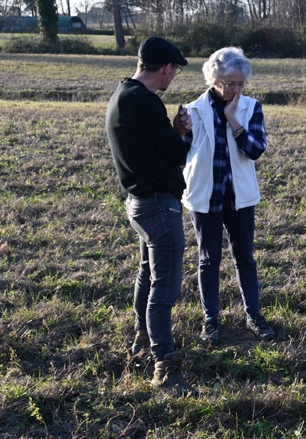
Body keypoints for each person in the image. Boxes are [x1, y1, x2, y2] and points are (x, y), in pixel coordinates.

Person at [105, 36, 195, 395]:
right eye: (174, 70)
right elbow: (175, 154)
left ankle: (142, 340)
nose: (173, 76)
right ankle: (164, 366)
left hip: (138, 203)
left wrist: (171, 132)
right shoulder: (145, 102)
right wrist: (183, 133)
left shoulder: (122, 95)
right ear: (166, 68)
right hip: (159, 204)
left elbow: (149, 148)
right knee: (166, 286)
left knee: (148, 273)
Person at [181, 47, 275, 345]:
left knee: (245, 258)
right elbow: (180, 153)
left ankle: (254, 315)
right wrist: (177, 132)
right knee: (208, 259)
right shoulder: (192, 111)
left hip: (240, 198)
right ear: (213, 80)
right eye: (230, 83)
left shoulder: (251, 108)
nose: (236, 89)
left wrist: (234, 120)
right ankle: (210, 319)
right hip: (204, 198)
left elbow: (256, 150)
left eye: (240, 83)